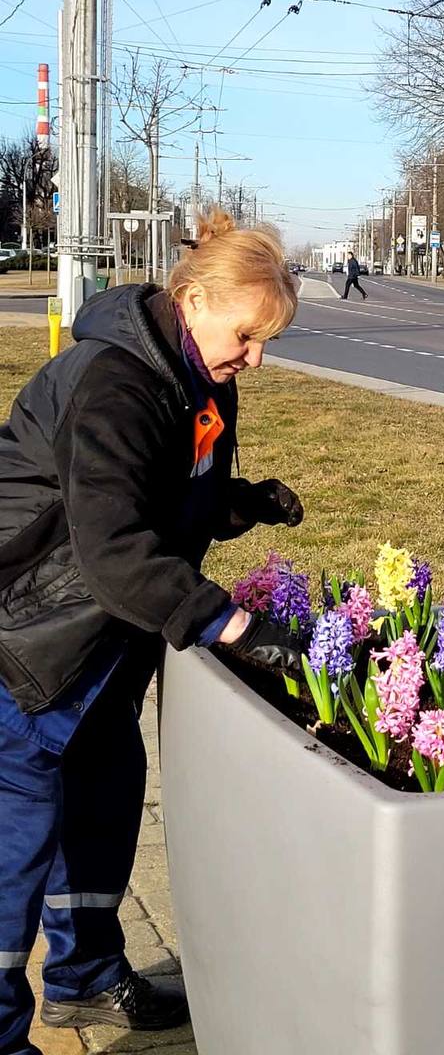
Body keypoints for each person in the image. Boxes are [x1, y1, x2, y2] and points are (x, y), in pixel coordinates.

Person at [0, 210, 310, 1055]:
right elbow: (113, 550)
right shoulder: (114, 381)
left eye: (265, 341)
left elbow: (163, 493)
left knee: (104, 802)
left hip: (103, 648)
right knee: (14, 848)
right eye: (247, 335)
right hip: (29, 643)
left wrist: (238, 502)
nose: (255, 357)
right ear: (193, 298)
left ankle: (86, 980)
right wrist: (237, 626)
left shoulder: (199, 377)